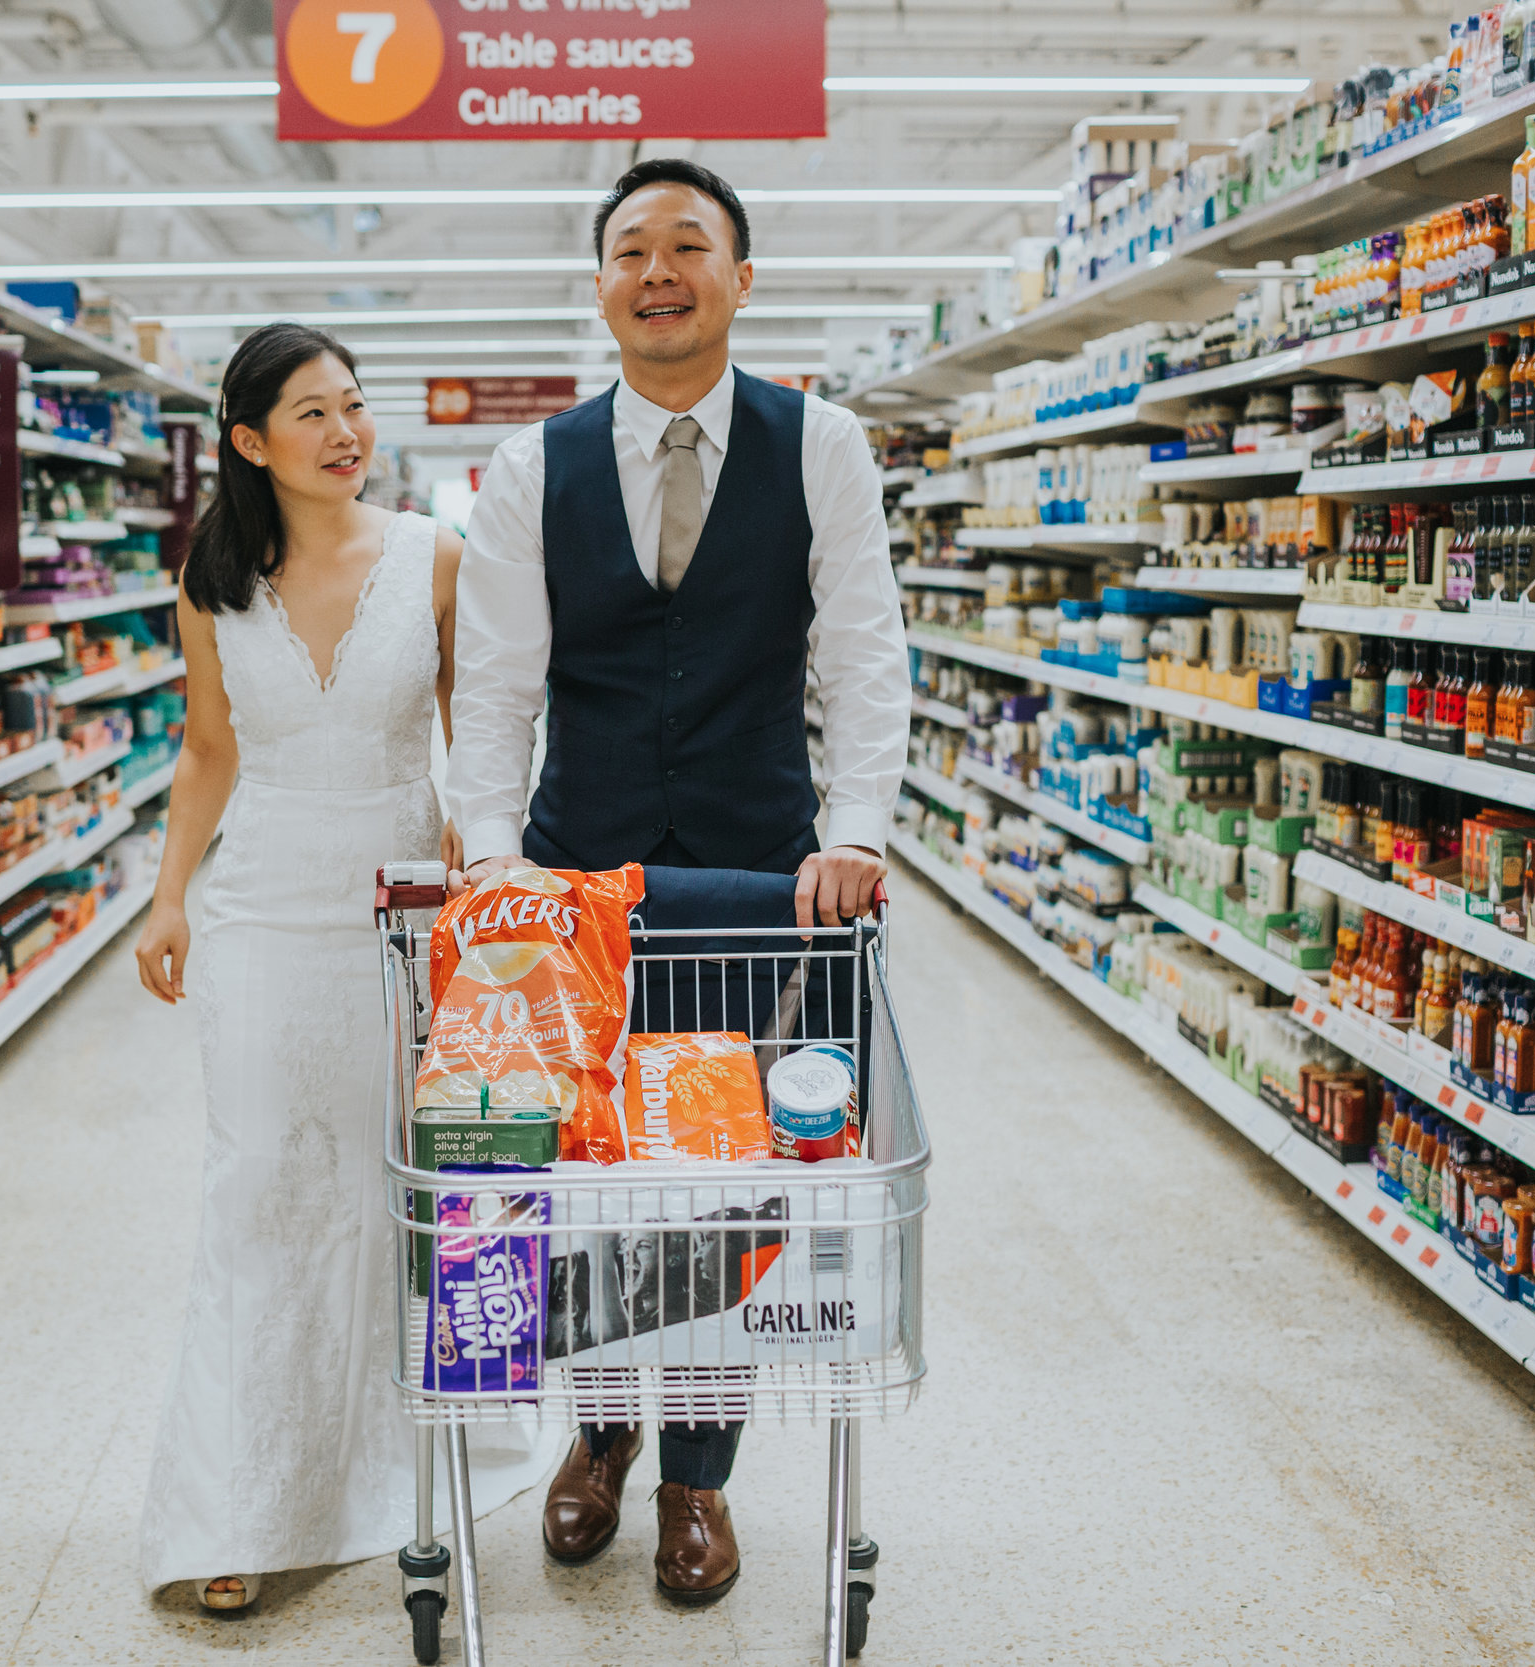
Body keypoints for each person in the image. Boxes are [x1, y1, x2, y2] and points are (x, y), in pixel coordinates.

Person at [445, 157, 910, 1606]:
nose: (660, 270)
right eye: (631, 249)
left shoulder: (819, 443)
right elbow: (500, 680)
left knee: (731, 1178)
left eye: (689, 246)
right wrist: (491, 867)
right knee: (592, 1169)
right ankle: (601, 1433)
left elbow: (865, 654)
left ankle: (697, 1477)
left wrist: (858, 830)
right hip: (582, 885)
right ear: (599, 286)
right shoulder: (534, 467)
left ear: (741, 278)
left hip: (768, 885)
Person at [130, 323, 551, 1614]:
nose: (344, 432)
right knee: (258, 1188)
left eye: (354, 407)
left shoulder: (435, 554)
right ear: (251, 442)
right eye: (311, 414)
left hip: (402, 909)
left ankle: (396, 1458)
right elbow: (208, 750)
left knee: (393, 1192)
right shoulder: (211, 578)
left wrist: (498, 871)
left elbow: (474, 731)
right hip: (262, 909)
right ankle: (239, 1505)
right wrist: (168, 899)